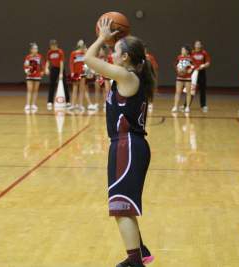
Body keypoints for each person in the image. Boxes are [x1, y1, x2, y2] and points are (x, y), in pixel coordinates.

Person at [85, 18, 154, 267]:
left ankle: (135, 261)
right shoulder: (127, 77)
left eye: (115, 51)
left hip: (129, 146)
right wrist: (112, 41)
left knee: (121, 208)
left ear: (125, 57)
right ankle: (141, 252)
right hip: (126, 145)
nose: (110, 54)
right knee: (123, 205)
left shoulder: (127, 77)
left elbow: (89, 60)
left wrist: (103, 38)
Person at [23, 43, 45, 113]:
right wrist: (27, 71)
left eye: (37, 49)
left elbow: (43, 65)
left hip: (37, 76)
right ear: (31, 50)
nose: (36, 50)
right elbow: (25, 66)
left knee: (35, 90)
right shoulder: (28, 57)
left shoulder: (40, 56)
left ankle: (33, 104)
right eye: (34, 49)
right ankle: (27, 104)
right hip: (30, 76)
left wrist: (42, 71)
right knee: (29, 90)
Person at [172, 45, 193, 113]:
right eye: (181, 50)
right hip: (179, 77)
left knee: (188, 92)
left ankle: (187, 107)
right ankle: (175, 106)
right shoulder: (179, 57)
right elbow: (175, 64)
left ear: (187, 51)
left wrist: (190, 70)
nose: (182, 51)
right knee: (178, 92)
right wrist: (178, 69)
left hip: (187, 77)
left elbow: (193, 65)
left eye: (183, 50)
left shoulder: (190, 58)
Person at [191, 40, 211, 112]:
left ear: (201, 45)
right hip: (194, 73)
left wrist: (204, 65)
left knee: (202, 89)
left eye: (199, 44)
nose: (198, 45)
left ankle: (203, 105)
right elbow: (189, 62)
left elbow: (208, 62)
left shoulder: (204, 53)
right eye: (196, 44)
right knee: (191, 89)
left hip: (202, 72)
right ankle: (186, 105)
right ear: (194, 45)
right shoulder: (192, 53)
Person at [45, 39, 64, 110]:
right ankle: (50, 101)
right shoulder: (49, 52)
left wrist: (61, 73)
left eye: (52, 45)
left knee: (64, 84)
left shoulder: (60, 52)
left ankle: (67, 101)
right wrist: (46, 68)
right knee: (52, 85)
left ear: (55, 45)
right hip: (53, 69)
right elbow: (48, 61)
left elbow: (61, 62)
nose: (51, 47)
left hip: (60, 68)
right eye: (50, 45)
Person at [69, 40, 86, 110]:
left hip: (83, 73)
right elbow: (71, 63)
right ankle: (73, 105)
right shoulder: (73, 53)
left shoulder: (85, 53)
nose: (81, 44)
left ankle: (80, 105)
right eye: (80, 42)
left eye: (82, 43)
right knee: (75, 88)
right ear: (78, 44)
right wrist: (72, 72)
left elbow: (87, 62)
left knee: (81, 89)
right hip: (76, 73)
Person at [145, 46, 159, 112]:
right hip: (141, 77)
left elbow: (154, 67)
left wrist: (154, 76)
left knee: (150, 90)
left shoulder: (150, 57)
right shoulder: (138, 57)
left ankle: (150, 103)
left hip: (149, 76)